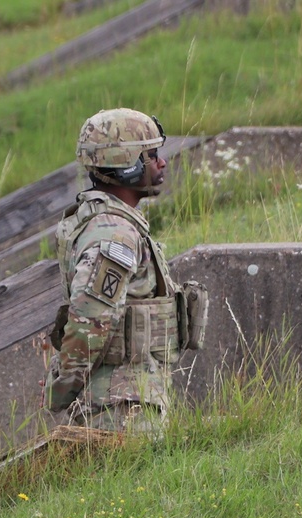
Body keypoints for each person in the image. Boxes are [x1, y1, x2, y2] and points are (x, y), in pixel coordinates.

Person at [42, 108, 207, 436]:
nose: (161, 163)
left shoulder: (110, 221)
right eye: (151, 156)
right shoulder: (113, 234)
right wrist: (63, 392)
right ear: (126, 164)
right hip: (119, 406)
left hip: (127, 395)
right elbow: (90, 319)